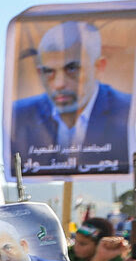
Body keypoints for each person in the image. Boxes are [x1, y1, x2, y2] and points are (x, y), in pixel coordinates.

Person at [12, 20, 133, 175]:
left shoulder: (129, 114)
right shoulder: (19, 116)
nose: (59, 84)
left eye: (72, 69)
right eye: (49, 71)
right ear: (39, 72)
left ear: (99, 67)